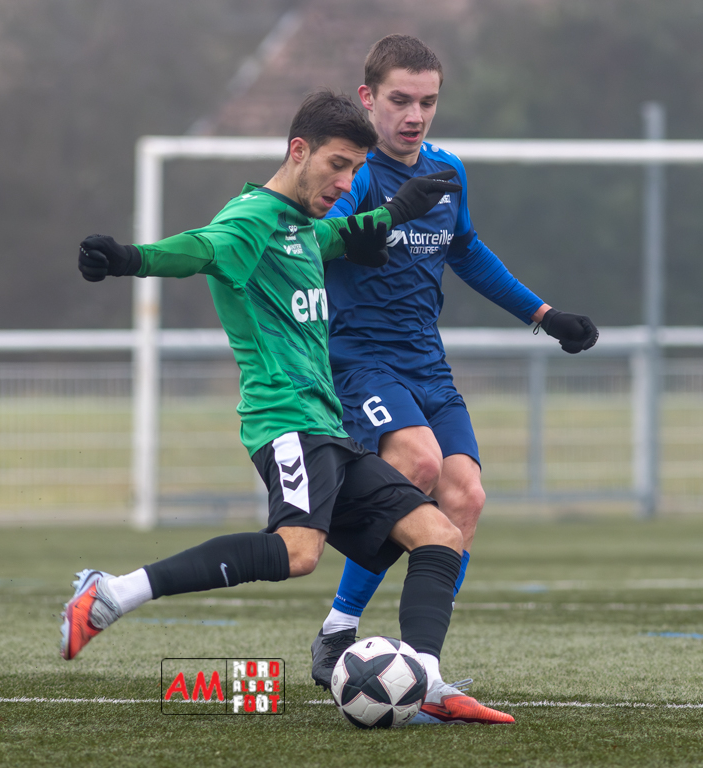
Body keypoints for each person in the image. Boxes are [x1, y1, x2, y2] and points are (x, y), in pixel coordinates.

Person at [63, 90, 515, 725]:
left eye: (355, 169)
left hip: (328, 427)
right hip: (285, 423)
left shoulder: (299, 227)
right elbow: (202, 248)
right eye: (337, 165)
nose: (346, 182)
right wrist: (129, 260)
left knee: (438, 534)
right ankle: (111, 593)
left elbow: (336, 237)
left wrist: (397, 211)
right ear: (298, 151)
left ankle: (424, 681)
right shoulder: (252, 219)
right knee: (299, 552)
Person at [310, 36, 599, 702]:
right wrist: (389, 216)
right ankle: (339, 629)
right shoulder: (353, 174)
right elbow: (323, 242)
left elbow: (466, 251)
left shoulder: (447, 171)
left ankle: (422, 668)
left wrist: (543, 314)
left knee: (465, 496)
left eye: (428, 101)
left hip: (425, 361)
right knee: (417, 464)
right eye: (400, 100)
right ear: (368, 98)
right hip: (359, 357)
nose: (415, 115)